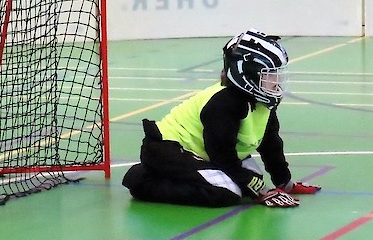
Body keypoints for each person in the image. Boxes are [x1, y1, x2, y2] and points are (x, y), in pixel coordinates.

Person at [122, 29, 320, 208]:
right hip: (167, 150)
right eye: (270, 75)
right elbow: (222, 155)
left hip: (204, 153)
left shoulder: (262, 101)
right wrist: (261, 192)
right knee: (226, 193)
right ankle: (141, 179)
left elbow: (270, 144)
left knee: (252, 179)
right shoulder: (225, 103)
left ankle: (182, 174)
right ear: (247, 75)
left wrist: (284, 183)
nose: (277, 81)